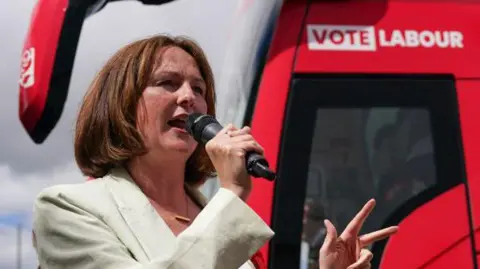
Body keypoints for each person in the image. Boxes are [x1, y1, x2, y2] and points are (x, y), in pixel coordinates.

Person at [32, 34, 398, 269]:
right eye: (167, 83)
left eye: (198, 88)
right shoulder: (66, 209)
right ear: (121, 104)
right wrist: (233, 194)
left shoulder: (216, 213)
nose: (189, 97)